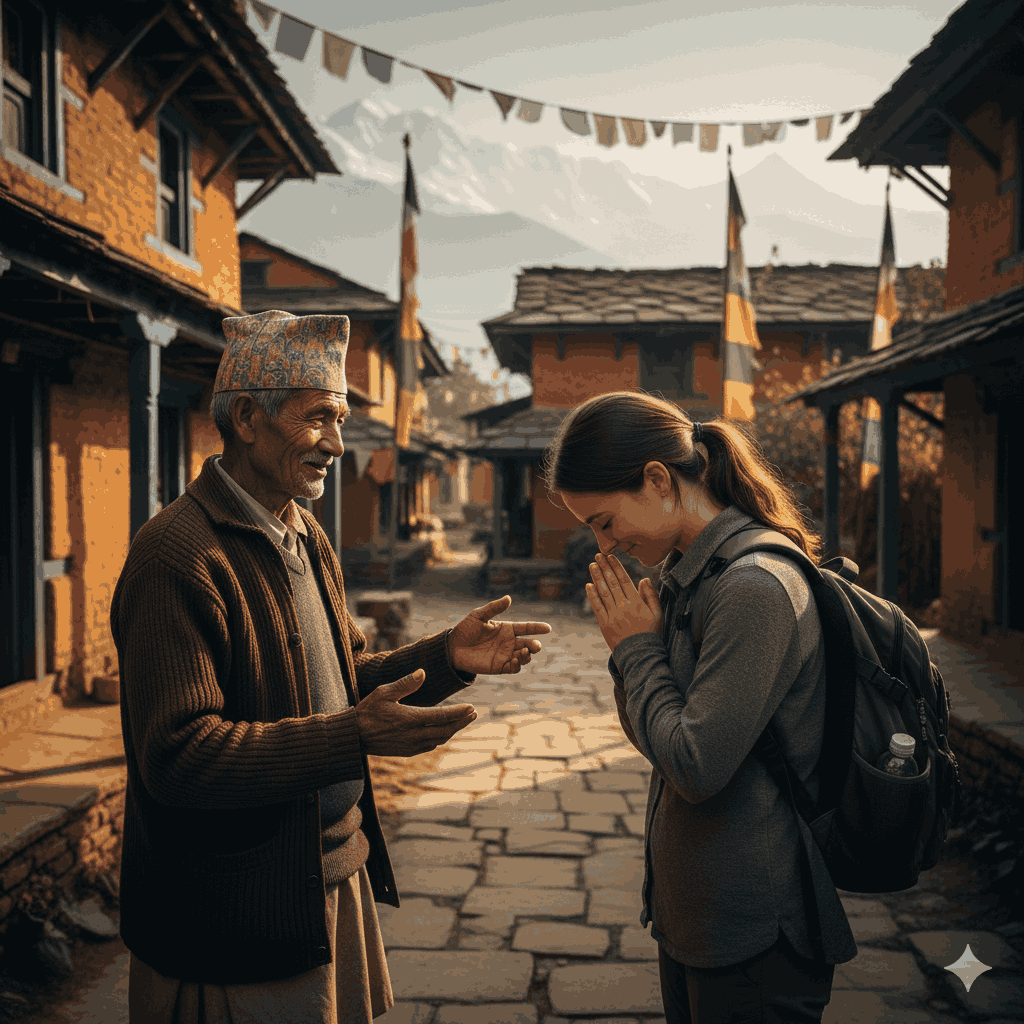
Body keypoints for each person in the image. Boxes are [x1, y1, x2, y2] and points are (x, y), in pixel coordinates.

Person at [112, 310, 551, 1024]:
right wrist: (351, 738)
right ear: (249, 417)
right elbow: (178, 757)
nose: (338, 445)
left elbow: (345, 673)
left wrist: (443, 658)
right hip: (234, 910)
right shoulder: (179, 555)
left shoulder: (301, 530)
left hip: (328, 880)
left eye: (342, 420)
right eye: (319, 419)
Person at [541, 391, 857, 1024]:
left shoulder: (754, 586)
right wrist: (635, 655)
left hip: (754, 927)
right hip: (698, 915)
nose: (606, 544)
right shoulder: (691, 575)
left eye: (605, 521)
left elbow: (694, 764)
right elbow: (654, 734)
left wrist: (635, 652)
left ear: (658, 479)